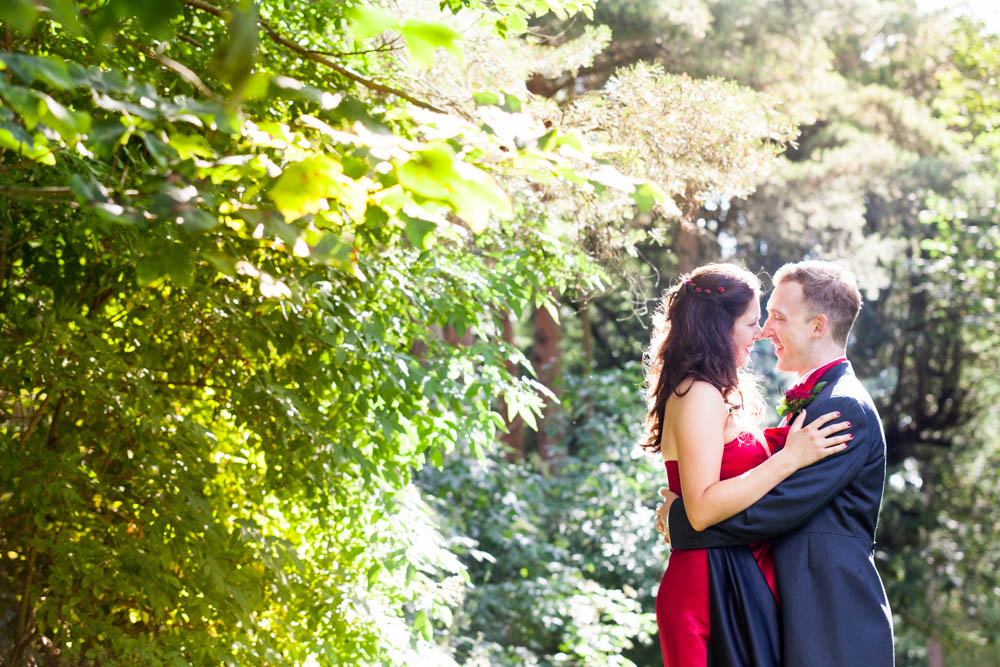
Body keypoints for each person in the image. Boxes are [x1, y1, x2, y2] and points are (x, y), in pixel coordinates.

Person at [656, 260, 895, 666]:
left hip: (832, 620)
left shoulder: (842, 409)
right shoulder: (810, 402)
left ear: (818, 327)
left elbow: (771, 511)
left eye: (777, 317)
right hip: (770, 606)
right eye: (761, 319)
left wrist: (682, 519)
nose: (766, 331)